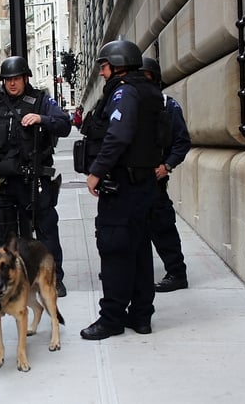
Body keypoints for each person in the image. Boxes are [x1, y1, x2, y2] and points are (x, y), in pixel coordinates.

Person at [79, 40, 165, 340]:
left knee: (115, 251)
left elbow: (118, 136)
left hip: (123, 187)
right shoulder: (149, 90)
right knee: (140, 250)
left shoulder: (124, 91)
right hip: (144, 186)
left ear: (117, 65)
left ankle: (112, 319)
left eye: (104, 66)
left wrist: (96, 172)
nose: (102, 73)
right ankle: (141, 317)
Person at [0, 55, 72, 297]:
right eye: (7, 79)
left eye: (16, 78)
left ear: (25, 78)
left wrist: (42, 119)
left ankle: (54, 278)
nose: (12, 84)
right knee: (7, 235)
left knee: (47, 230)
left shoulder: (40, 100)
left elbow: (64, 124)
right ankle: (10, 277)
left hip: (34, 181)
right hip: (5, 183)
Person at [140, 57, 192, 292]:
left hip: (156, 178)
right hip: (133, 180)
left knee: (163, 226)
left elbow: (182, 142)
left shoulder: (168, 106)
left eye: (146, 77)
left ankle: (176, 273)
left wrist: (166, 166)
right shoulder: (131, 105)